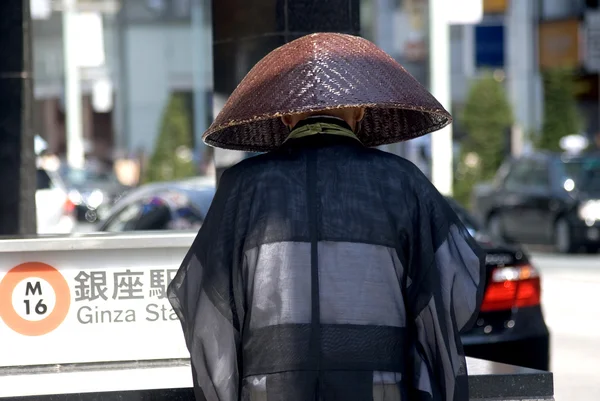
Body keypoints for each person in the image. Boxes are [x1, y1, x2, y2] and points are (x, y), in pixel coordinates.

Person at [168, 33, 486, 401]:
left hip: (270, 389)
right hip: (380, 386)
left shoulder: (243, 187)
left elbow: (205, 299)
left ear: (283, 116)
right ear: (361, 111)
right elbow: (452, 285)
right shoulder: (402, 182)